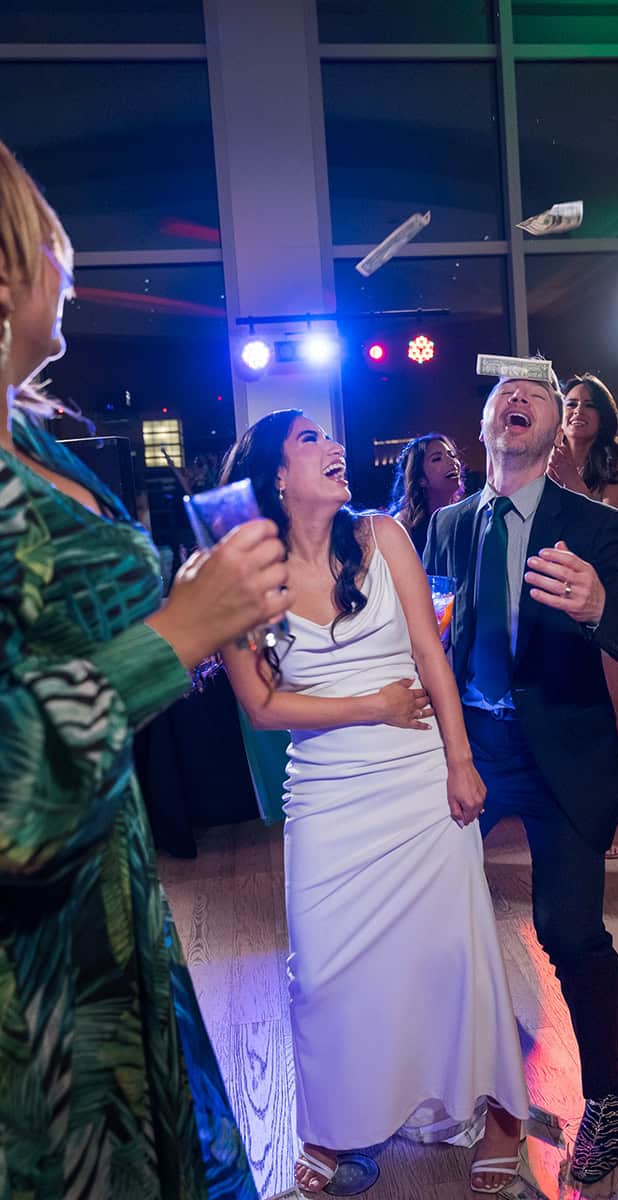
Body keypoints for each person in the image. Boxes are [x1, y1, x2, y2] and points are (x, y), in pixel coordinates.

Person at [0, 141, 291, 1197]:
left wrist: (196, 631)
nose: (68, 263)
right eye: (48, 237)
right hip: (30, 988)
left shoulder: (38, 436)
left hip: (106, 903)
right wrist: (176, 631)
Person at [220, 410, 530, 1197]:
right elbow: (261, 707)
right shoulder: (242, 577)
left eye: (331, 436)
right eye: (308, 442)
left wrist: (461, 764)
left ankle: (500, 1114)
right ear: (277, 478)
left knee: (452, 951)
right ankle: (334, 1121)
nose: (334, 447)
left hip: (420, 781)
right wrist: (370, 706)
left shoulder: (386, 537)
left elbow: (432, 656)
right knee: (322, 970)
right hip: (327, 791)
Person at [424, 368, 618, 1188]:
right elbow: (433, 636)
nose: (518, 399)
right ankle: (456, 1087)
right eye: (503, 396)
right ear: (485, 427)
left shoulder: (595, 527)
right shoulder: (450, 525)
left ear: (556, 431)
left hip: (562, 758)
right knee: (434, 928)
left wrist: (602, 604)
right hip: (471, 753)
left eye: (535, 392)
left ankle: (609, 1095)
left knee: (569, 933)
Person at [548, 373, 618, 857]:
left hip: (607, 600)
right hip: (557, 600)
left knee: (612, 712)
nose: (577, 410)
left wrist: (572, 480)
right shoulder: (545, 461)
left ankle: (617, 819)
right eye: (571, 403)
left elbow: (608, 531)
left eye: (588, 405)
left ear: (604, 416)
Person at [389, 431, 464, 556]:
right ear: (421, 480)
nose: (452, 462)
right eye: (437, 459)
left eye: (452, 455)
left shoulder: (466, 514)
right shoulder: (403, 525)